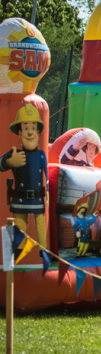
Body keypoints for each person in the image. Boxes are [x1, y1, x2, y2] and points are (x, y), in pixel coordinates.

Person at [1, 104, 48, 256]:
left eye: (33, 128)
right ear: (20, 132)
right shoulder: (16, 154)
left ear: (38, 132)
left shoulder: (41, 155)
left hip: (37, 200)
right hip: (20, 199)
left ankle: (43, 251)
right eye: (26, 128)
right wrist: (9, 162)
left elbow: (47, 177)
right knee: (20, 226)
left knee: (41, 228)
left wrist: (48, 193)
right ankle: (20, 250)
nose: (30, 132)